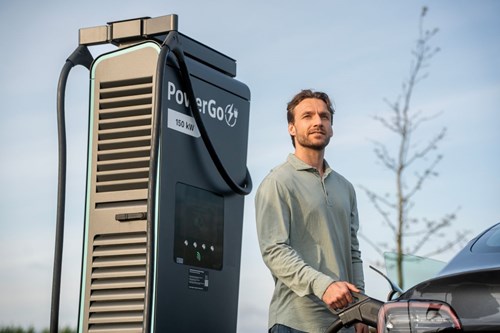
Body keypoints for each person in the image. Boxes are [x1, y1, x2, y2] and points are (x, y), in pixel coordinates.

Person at [255, 89, 368, 333]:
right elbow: (274, 250)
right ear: (291, 128)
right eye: (307, 116)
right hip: (296, 323)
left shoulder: (345, 188)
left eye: (324, 116)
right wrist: (324, 285)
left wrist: (362, 309)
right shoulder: (277, 182)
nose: (318, 121)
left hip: (345, 323)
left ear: (332, 127)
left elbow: (353, 253)